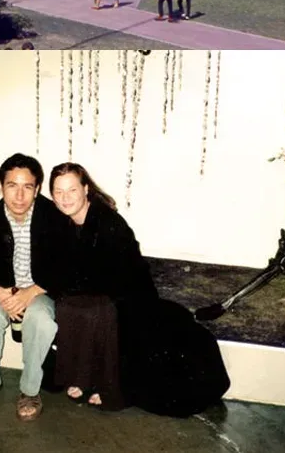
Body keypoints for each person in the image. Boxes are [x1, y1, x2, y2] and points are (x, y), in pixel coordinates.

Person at [49, 163, 230, 417]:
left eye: (71, 190)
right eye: (58, 191)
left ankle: (111, 386)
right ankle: (84, 377)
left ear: (86, 189)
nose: (65, 198)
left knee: (100, 312)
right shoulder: (64, 222)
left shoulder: (107, 222)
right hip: (98, 291)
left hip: (128, 294)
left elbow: (110, 277)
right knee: (73, 305)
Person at [0, 153, 71, 421]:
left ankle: (29, 390)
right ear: (2, 186)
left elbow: (64, 270)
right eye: (12, 185)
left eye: (27, 186)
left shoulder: (55, 219)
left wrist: (30, 293)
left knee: (41, 320)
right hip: (2, 290)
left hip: (40, 290)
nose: (19, 195)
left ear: (37, 189)